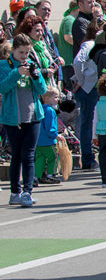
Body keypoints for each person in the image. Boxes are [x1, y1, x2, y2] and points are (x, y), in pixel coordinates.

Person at [3, 34, 47, 207]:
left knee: (29, 155)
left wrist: (36, 76)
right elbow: (3, 87)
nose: (24, 56)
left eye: (27, 53)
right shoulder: (4, 66)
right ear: (13, 50)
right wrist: (16, 73)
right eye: (21, 52)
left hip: (33, 116)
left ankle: (27, 192)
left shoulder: (32, 65)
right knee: (17, 155)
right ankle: (15, 192)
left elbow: (42, 89)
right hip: (13, 118)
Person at [72, 19, 102, 171]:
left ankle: (90, 158)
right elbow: (77, 62)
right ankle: (88, 159)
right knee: (87, 125)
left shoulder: (94, 45)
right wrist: (82, 80)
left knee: (91, 124)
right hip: (89, 90)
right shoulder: (90, 45)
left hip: (91, 89)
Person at [35, 86, 61, 185]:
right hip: (48, 141)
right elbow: (50, 127)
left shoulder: (39, 109)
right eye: (55, 97)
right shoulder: (50, 111)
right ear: (46, 98)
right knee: (54, 157)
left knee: (39, 159)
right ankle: (51, 175)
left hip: (38, 141)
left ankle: (36, 176)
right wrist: (56, 135)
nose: (57, 99)